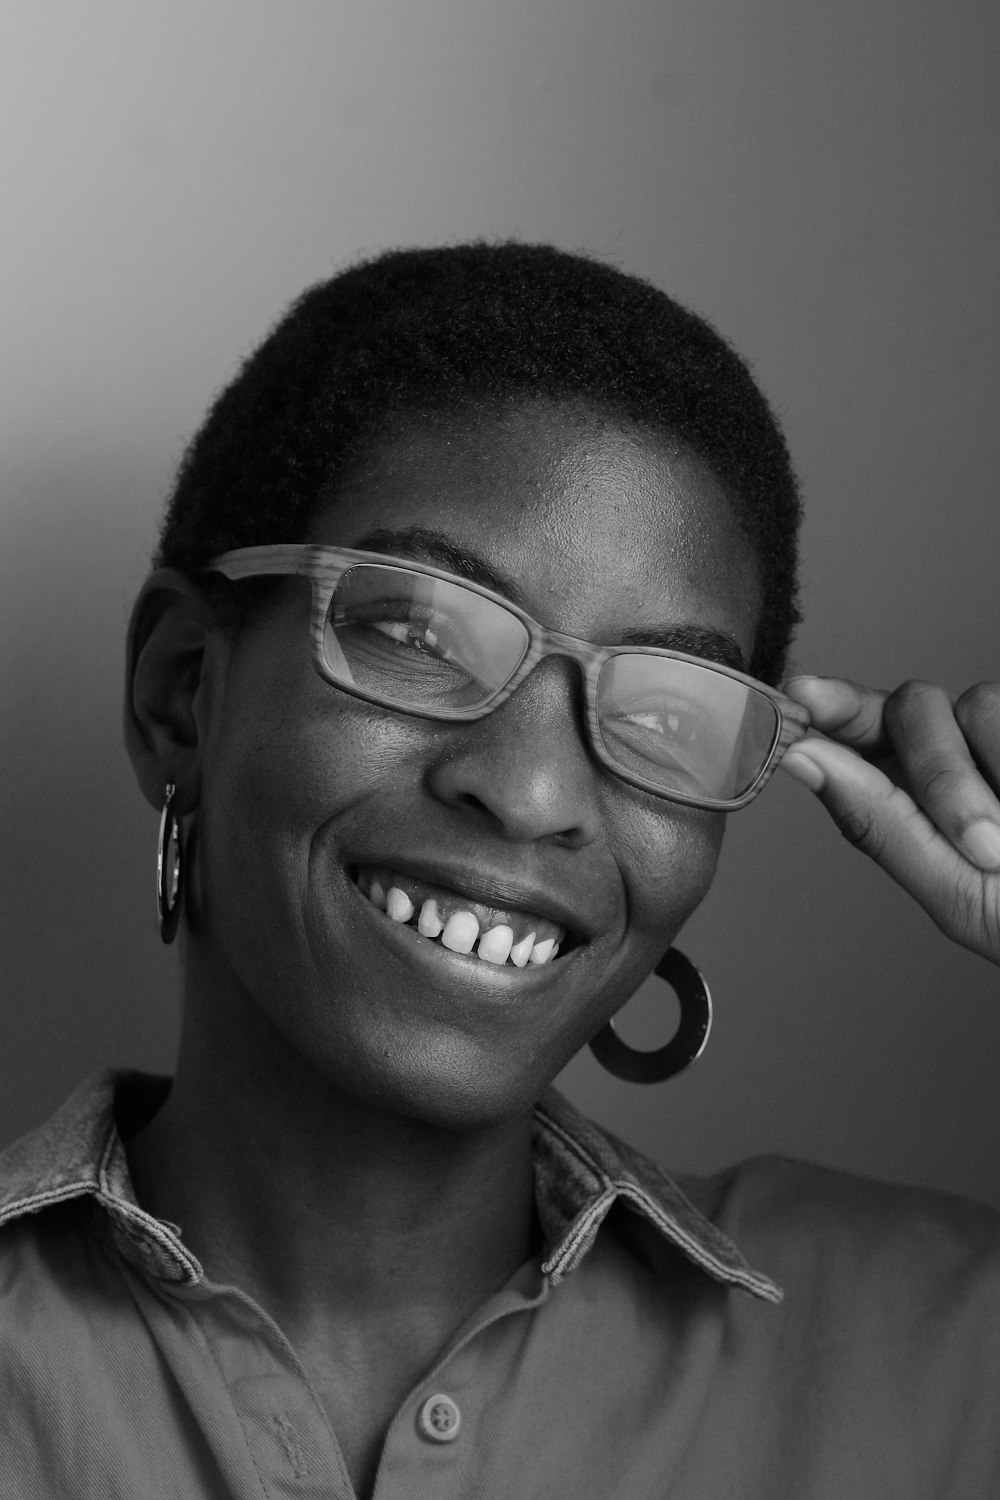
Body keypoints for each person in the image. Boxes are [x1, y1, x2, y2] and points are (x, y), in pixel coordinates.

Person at [1, 242, 998, 1499]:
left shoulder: (946, 1352)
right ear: (181, 695)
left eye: (669, 713)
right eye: (418, 631)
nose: (530, 794)